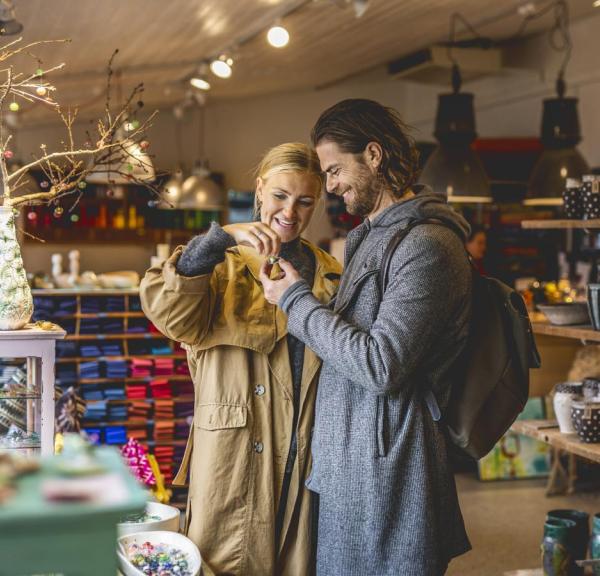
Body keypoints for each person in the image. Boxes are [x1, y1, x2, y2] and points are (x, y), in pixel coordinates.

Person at [260, 100, 472, 576]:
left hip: (391, 474)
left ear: (373, 155)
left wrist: (295, 299)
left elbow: (382, 365)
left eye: (335, 170)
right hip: (349, 470)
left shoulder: (428, 245)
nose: (330, 185)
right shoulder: (371, 236)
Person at [140, 143, 341, 576]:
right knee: (228, 560)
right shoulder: (221, 265)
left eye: (305, 201)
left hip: (306, 451)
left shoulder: (331, 274)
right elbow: (170, 313)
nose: (290, 211)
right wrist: (222, 236)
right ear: (259, 190)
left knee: (300, 561)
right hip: (235, 452)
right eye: (280, 196)